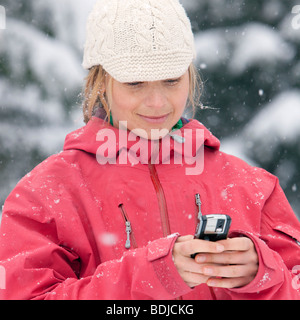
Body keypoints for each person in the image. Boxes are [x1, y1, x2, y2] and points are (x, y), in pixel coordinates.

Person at [0, 0, 299, 300]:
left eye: (171, 80)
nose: (157, 102)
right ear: (101, 82)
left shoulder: (253, 187)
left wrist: (265, 275)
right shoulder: (45, 195)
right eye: (135, 82)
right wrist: (153, 275)